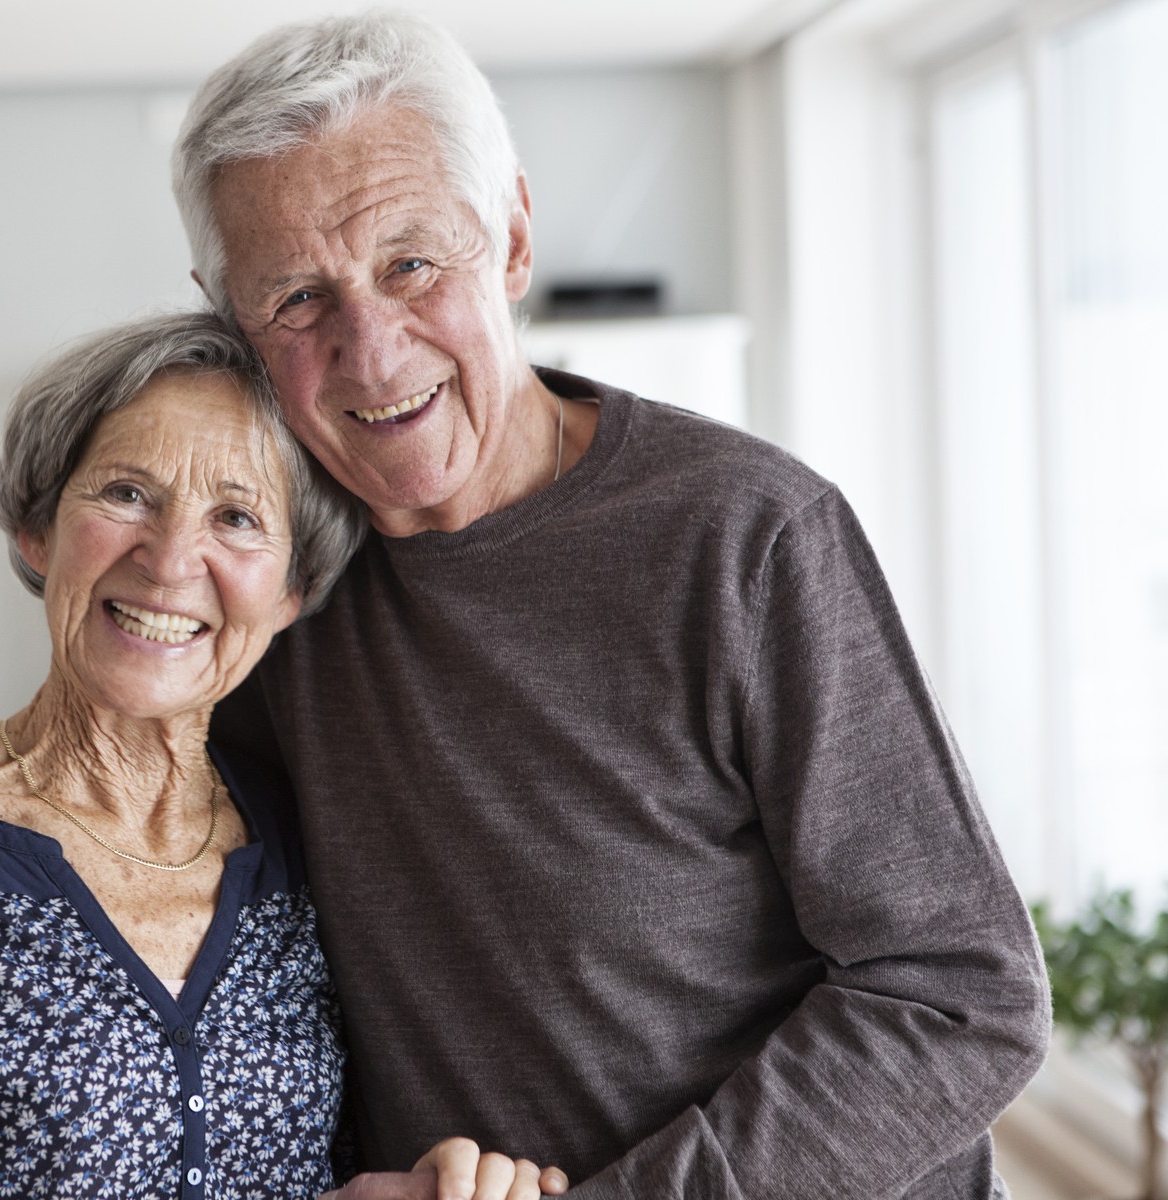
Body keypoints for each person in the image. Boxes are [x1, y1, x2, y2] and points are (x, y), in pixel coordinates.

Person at [174, 13, 1053, 1198]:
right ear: (226, 314)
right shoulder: (268, 589)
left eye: (412, 264)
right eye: (296, 299)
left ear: (516, 238)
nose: (372, 354)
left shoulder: (746, 534)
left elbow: (959, 994)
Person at [0, 311, 567, 1200]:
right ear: (37, 529)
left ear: (293, 590)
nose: (172, 561)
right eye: (128, 494)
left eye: (238, 516)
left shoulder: (303, 845)